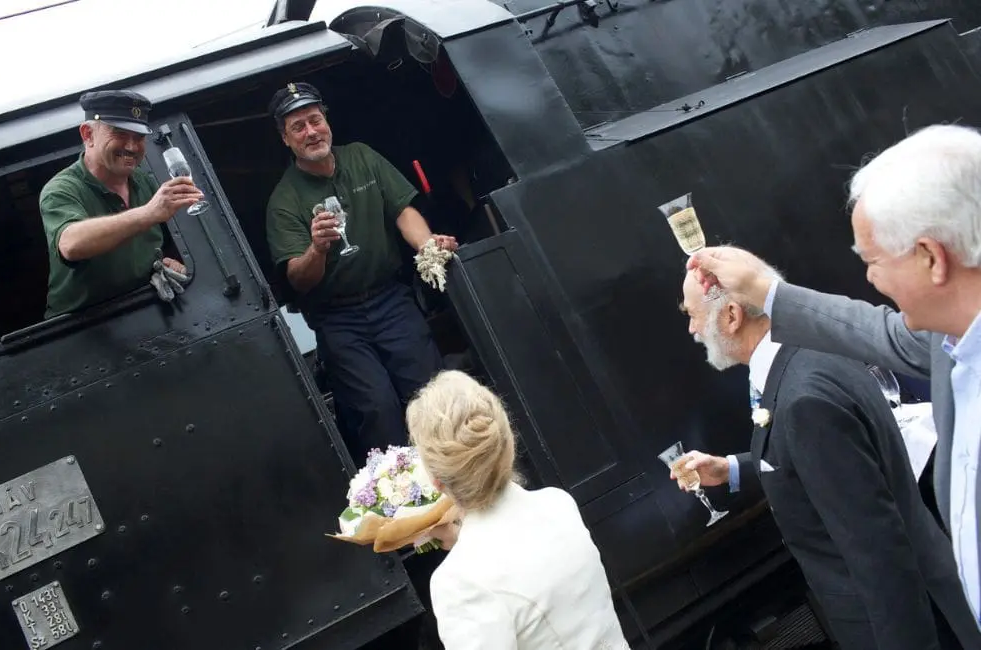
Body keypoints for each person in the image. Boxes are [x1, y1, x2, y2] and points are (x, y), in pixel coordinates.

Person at [687, 123, 981, 627]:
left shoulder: (806, 394)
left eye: (873, 261)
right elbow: (881, 333)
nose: (869, 279)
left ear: (932, 257)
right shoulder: (945, 343)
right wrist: (765, 289)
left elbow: (877, 546)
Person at [673, 264, 980, 649]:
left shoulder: (803, 401)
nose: (693, 329)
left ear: (732, 316)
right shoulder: (815, 351)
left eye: (693, 315)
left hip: (899, 623)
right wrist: (732, 469)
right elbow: (832, 462)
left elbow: (878, 554)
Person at [264, 81, 458, 458]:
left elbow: (402, 209)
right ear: (285, 139)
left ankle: (462, 472)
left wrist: (428, 245)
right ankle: (411, 501)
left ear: (326, 121)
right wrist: (317, 248)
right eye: (298, 127)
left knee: (433, 392)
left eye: (314, 120)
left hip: (390, 299)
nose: (311, 132)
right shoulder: (283, 200)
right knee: (377, 410)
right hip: (339, 319)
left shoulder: (361, 157)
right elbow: (298, 279)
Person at [404, 369, 630, 649]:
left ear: (436, 481)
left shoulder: (458, 582)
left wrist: (465, 549)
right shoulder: (558, 504)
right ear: (507, 441)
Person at [40, 89, 200, 318]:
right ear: (88, 134)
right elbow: (71, 244)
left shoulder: (144, 182)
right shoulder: (61, 189)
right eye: (120, 134)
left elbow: (164, 242)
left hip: (142, 310)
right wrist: (148, 213)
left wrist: (171, 263)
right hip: (79, 329)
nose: (132, 147)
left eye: (139, 137)